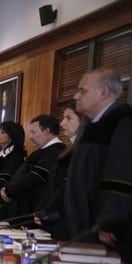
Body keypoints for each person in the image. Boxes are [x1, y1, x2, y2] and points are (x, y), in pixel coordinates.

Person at [66, 67, 132, 264]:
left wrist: (110, 221)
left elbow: (125, 177)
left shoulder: (126, 120)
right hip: (86, 224)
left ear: (103, 92)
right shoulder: (93, 125)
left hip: (109, 231)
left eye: (82, 90)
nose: (76, 96)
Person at [36, 102, 89, 239]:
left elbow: (68, 187)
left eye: (69, 118)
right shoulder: (71, 149)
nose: (62, 124)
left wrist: (49, 210)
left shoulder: (85, 151)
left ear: (84, 120)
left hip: (70, 220)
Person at [1, 115, 65, 219]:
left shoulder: (55, 151)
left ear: (47, 131)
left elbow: (35, 176)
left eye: (34, 132)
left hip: (35, 207)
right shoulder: (42, 151)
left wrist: (9, 190)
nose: (30, 136)